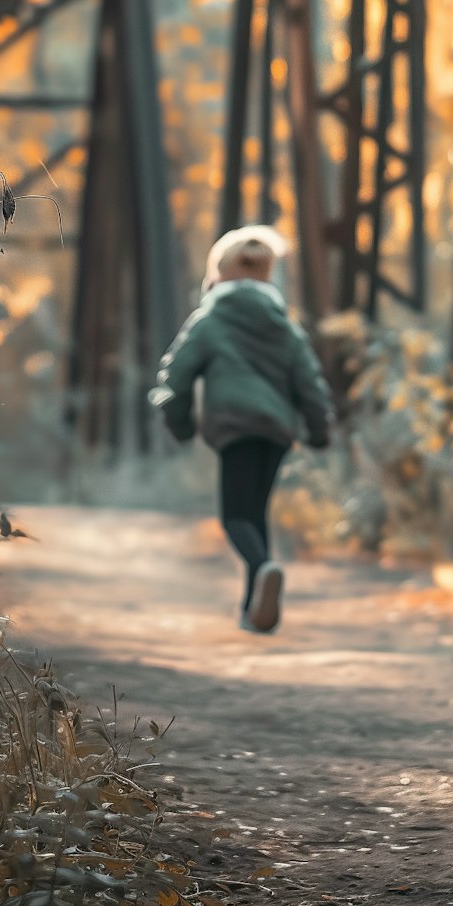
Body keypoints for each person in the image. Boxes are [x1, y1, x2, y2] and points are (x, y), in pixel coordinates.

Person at [150, 225, 334, 633]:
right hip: (276, 433)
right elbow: (310, 382)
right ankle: (254, 610)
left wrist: (179, 425)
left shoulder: (210, 319)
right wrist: (319, 431)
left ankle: (262, 568)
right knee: (256, 514)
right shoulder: (283, 325)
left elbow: (175, 378)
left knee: (235, 516)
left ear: (219, 274)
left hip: (235, 427)